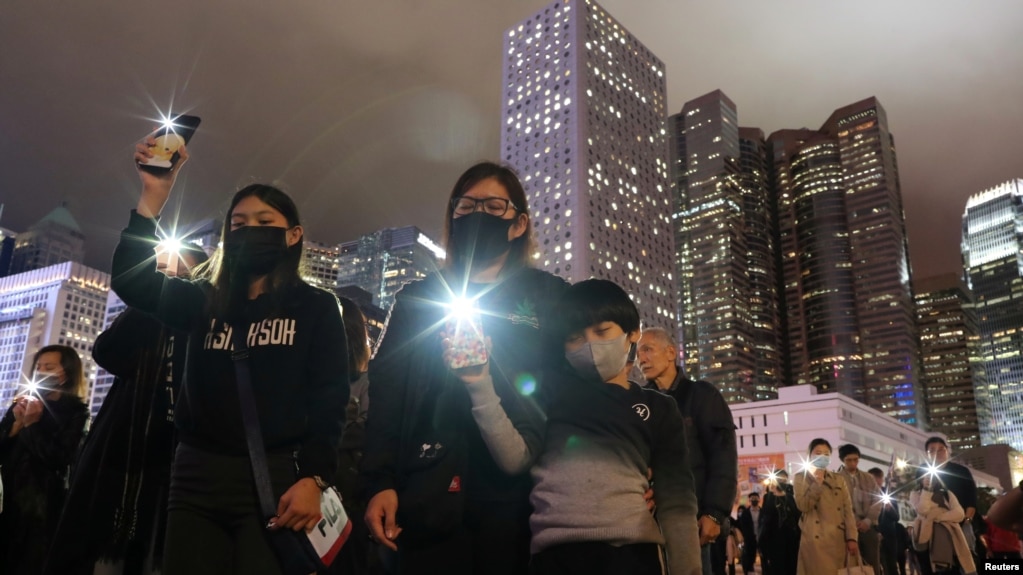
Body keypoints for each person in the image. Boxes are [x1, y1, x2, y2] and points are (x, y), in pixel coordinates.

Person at [112, 137, 349, 574]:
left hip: (275, 480)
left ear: (293, 235)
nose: (249, 230)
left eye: (264, 220)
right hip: (195, 478)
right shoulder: (201, 300)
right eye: (238, 224)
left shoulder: (315, 307)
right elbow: (132, 283)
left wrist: (315, 479)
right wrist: (153, 195)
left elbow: (330, 400)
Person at [360, 161, 570, 575]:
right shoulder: (418, 299)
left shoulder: (550, 297)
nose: (478, 215)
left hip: (522, 497)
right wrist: (378, 481)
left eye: (494, 207)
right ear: (452, 218)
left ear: (518, 223)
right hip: (428, 489)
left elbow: (576, 392)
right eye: (466, 206)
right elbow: (385, 394)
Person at [45, 244, 207, 575]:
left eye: (184, 277)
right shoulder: (143, 319)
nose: (173, 284)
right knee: (107, 557)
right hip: (126, 456)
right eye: (165, 275)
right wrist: (150, 297)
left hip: (184, 458)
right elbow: (106, 352)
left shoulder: (206, 324)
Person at [527, 279, 700, 575]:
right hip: (556, 555)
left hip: (632, 555)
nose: (590, 345)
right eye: (575, 337)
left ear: (633, 333)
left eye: (602, 331)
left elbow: (677, 500)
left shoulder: (659, 408)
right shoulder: (548, 399)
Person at [637, 327, 738, 575]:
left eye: (647, 349)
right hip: (647, 521)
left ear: (671, 352)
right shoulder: (640, 403)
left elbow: (722, 456)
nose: (641, 359)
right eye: (638, 353)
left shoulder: (702, 395)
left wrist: (714, 513)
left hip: (693, 521)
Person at [0, 345, 90, 575]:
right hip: (6, 502)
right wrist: (16, 426)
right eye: (38, 367)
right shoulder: (21, 403)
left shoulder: (76, 413)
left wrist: (31, 425)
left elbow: (58, 458)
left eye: (49, 367)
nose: (41, 372)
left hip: (41, 512)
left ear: (66, 373)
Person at [793, 438, 859, 574]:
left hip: (839, 539)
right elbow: (803, 505)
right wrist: (817, 483)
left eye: (826, 454)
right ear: (809, 455)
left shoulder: (838, 479)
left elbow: (848, 510)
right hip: (815, 541)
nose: (822, 456)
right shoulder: (801, 478)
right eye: (818, 453)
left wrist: (852, 537)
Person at [921, 436, 979, 571]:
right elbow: (920, 498)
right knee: (939, 557)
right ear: (927, 454)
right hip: (936, 522)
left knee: (967, 551)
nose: (938, 453)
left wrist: (967, 520)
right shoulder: (924, 471)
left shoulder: (961, 471)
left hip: (961, 519)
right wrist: (925, 485)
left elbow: (971, 498)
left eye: (941, 449)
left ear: (947, 451)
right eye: (932, 450)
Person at [910, 468, 977, 575]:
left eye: (932, 476)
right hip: (926, 538)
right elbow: (922, 510)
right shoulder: (916, 494)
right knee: (928, 568)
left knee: (952, 570)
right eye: (926, 476)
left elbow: (959, 514)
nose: (929, 479)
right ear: (920, 479)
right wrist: (927, 491)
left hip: (950, 538)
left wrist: (937, 516)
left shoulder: (947, 494)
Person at [837, 444, 882, 573]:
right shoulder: (837, 479)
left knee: (873, 563)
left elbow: (877, 499)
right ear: (843, 460)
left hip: (868, 526)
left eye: (856, 459)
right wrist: (852, 522)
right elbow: (839, 505)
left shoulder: (868, 478)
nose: (853, 463)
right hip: (847, 529)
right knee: (851, 564)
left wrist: (868, 520)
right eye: (849, 460)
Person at [760, 470, 800, 575]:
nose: (782, 481)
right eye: (779, 479)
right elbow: (765, 518)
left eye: (784, 479)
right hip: (774, 540)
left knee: (792, 567)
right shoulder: (768, 497)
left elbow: (797, 516)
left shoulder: (791, 498)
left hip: (791, 540)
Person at [868, 467, 905, 575]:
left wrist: (889, 508)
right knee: (875, 563)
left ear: (882, 479)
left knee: (891, 564)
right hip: (873, 533)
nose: (876, 483)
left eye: (878, 479)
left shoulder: (889, 494)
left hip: (889, 535)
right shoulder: (867, 494)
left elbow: (896, 517)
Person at [737, 491, 765, 574]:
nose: (754, 500)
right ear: (749, 500)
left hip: (761, 537)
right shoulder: (745, 513)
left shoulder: (763, 512)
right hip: (750, 538)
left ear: (759, 500)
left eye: (756, 498)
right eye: (752, 499)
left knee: (763, 557)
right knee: (749, 556)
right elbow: (743, 526)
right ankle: (748, 571)